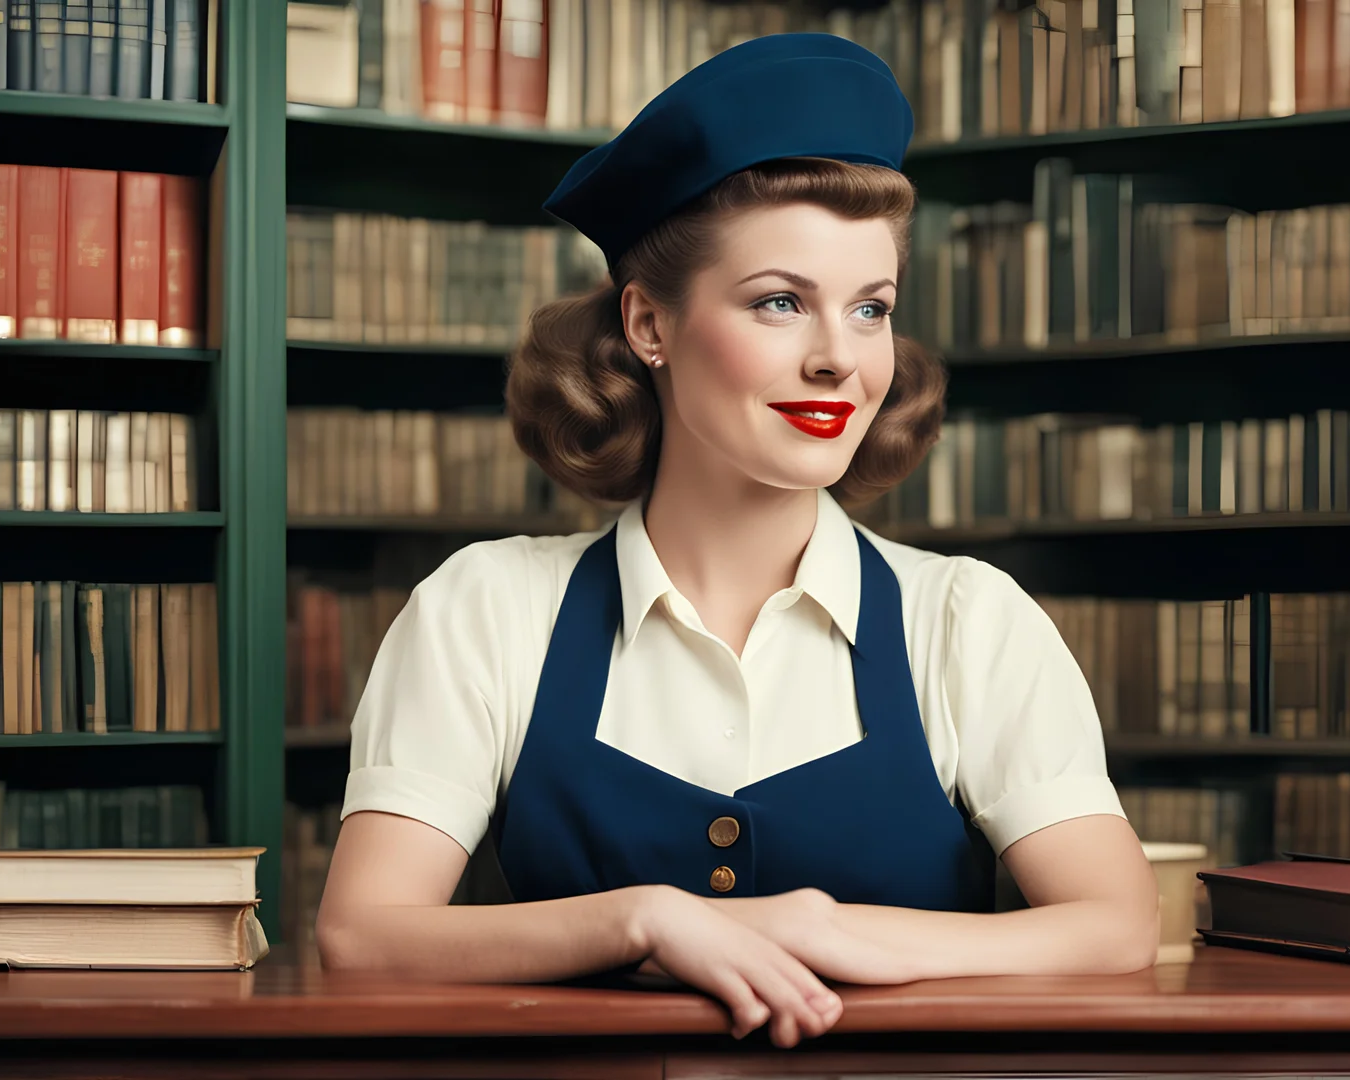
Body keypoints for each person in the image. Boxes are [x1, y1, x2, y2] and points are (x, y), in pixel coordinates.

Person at [314, 31, 1159, 1049]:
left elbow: (1117, 927)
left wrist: (848, 935)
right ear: (648, 324)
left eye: (870, 308)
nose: (838, 359)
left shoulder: (968, 620)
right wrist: (646, 918)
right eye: (777, 302)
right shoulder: (487, 608)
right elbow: (363, 935)